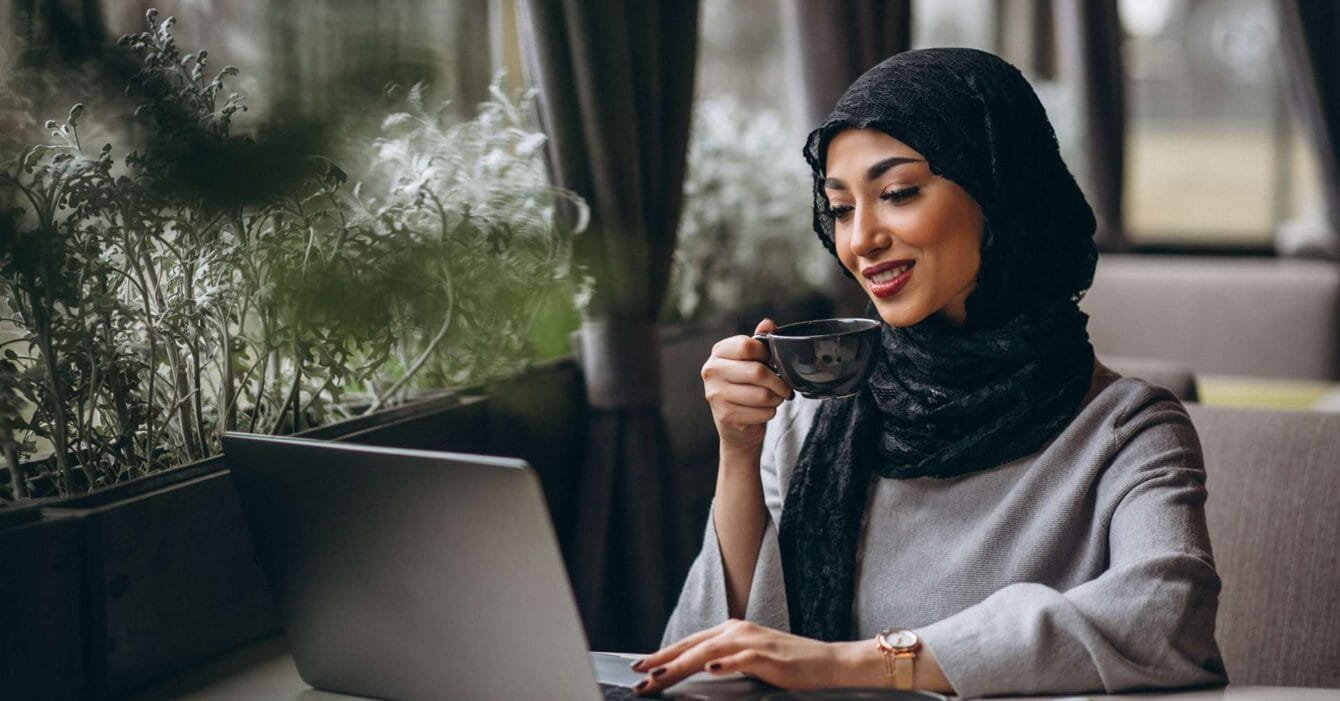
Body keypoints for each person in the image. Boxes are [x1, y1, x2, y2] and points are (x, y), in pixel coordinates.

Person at [629, 48, 1228, 697]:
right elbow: (699, 670)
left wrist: (851, 662)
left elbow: (1164, 619)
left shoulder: (1128, 430)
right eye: (840, 208)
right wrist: (739, 450)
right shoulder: (813, 411)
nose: (860, 240)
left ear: (998, 189)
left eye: (896, 193)